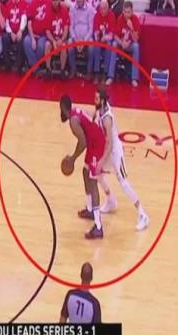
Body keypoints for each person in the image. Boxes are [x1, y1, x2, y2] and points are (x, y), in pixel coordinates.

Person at [94, 86, 149, 230]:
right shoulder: (100, 109)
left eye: (97, 98)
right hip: (107, 149)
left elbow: (110, 144)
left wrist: (101, 160)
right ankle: (111, 201)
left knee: (123, 183)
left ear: (103, 101)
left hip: (115, 152)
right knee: (96, 173)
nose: (94, 100)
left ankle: (143, 214)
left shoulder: (107, 118)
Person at [60, 94, 105, 239]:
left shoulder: (73, 121)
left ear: (63, 108)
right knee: (85, 172)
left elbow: (83, 142)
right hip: (93, 142)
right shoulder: (76, 111)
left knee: (92, 182)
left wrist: (73, 158)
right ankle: (90, 209)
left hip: (97, 144)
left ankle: (98, 226)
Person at [106, 1, 140, 87]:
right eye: (125, 12)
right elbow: (115, 36)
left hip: (130, 44)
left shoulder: (135, 19)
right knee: (114, 44)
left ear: (132, 12)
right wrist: (121, 43)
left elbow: (136, 39)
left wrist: (132, 28)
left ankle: (134, 78)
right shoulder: (120, 19)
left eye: (129, 12)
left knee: (136, 47)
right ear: (123, 11)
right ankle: (110, 76)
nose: (127, 14)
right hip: (121, 43)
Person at [68, 0, 95, 80]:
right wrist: (75, 39)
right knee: (69, 43)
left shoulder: (90, 8)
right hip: (75, 37)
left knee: (91, 46)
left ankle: (89, 71)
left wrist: (84, 41)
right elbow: (71, 27)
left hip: (87, 37)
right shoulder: (72, 8)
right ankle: (73, 69)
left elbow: (91, 28)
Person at [44, 0, 69, 79]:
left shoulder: (64, 11)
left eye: (56, 1)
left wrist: (61, 39)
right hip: (52, 37)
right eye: (53, 1)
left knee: (64, 46)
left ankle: (62, 70)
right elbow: (47, 31)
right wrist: (53, 41)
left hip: (62, 37)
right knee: (47, 45)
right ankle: (48, 69)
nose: (55, 2)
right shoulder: (48, 11)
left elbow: (66, 29)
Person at [92, 0, 115, 83]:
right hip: (99, 40)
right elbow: (95, 31)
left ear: (108, 8)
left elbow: (112, 33)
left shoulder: (111, 15)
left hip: (107, 39)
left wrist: (105, 38)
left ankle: (105, 73)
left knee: (109, 46)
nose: (102, 11)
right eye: (101, 8)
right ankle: (96, 72)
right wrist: (98, 36)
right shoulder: (96, 15)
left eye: (104, 8)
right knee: (96, 45)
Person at [2, 0, 27, 74]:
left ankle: (19, 66)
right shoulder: (8, 4)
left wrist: (20, 30)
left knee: (21, 39)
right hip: (11, 31)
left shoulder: (23, 3)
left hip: (20, 30)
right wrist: (11, 33)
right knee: (4, 37)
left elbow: (24, 19)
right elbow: (7, 21)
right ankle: (7, 64)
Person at [23, 0, 48, 74]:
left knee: (41, 46)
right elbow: (29, 24)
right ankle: (36, 68)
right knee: (26, 41)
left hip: (44, 35)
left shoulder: (49, 3)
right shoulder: (33, 4)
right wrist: (32, 38)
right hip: (33, 33)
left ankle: (33, 66)